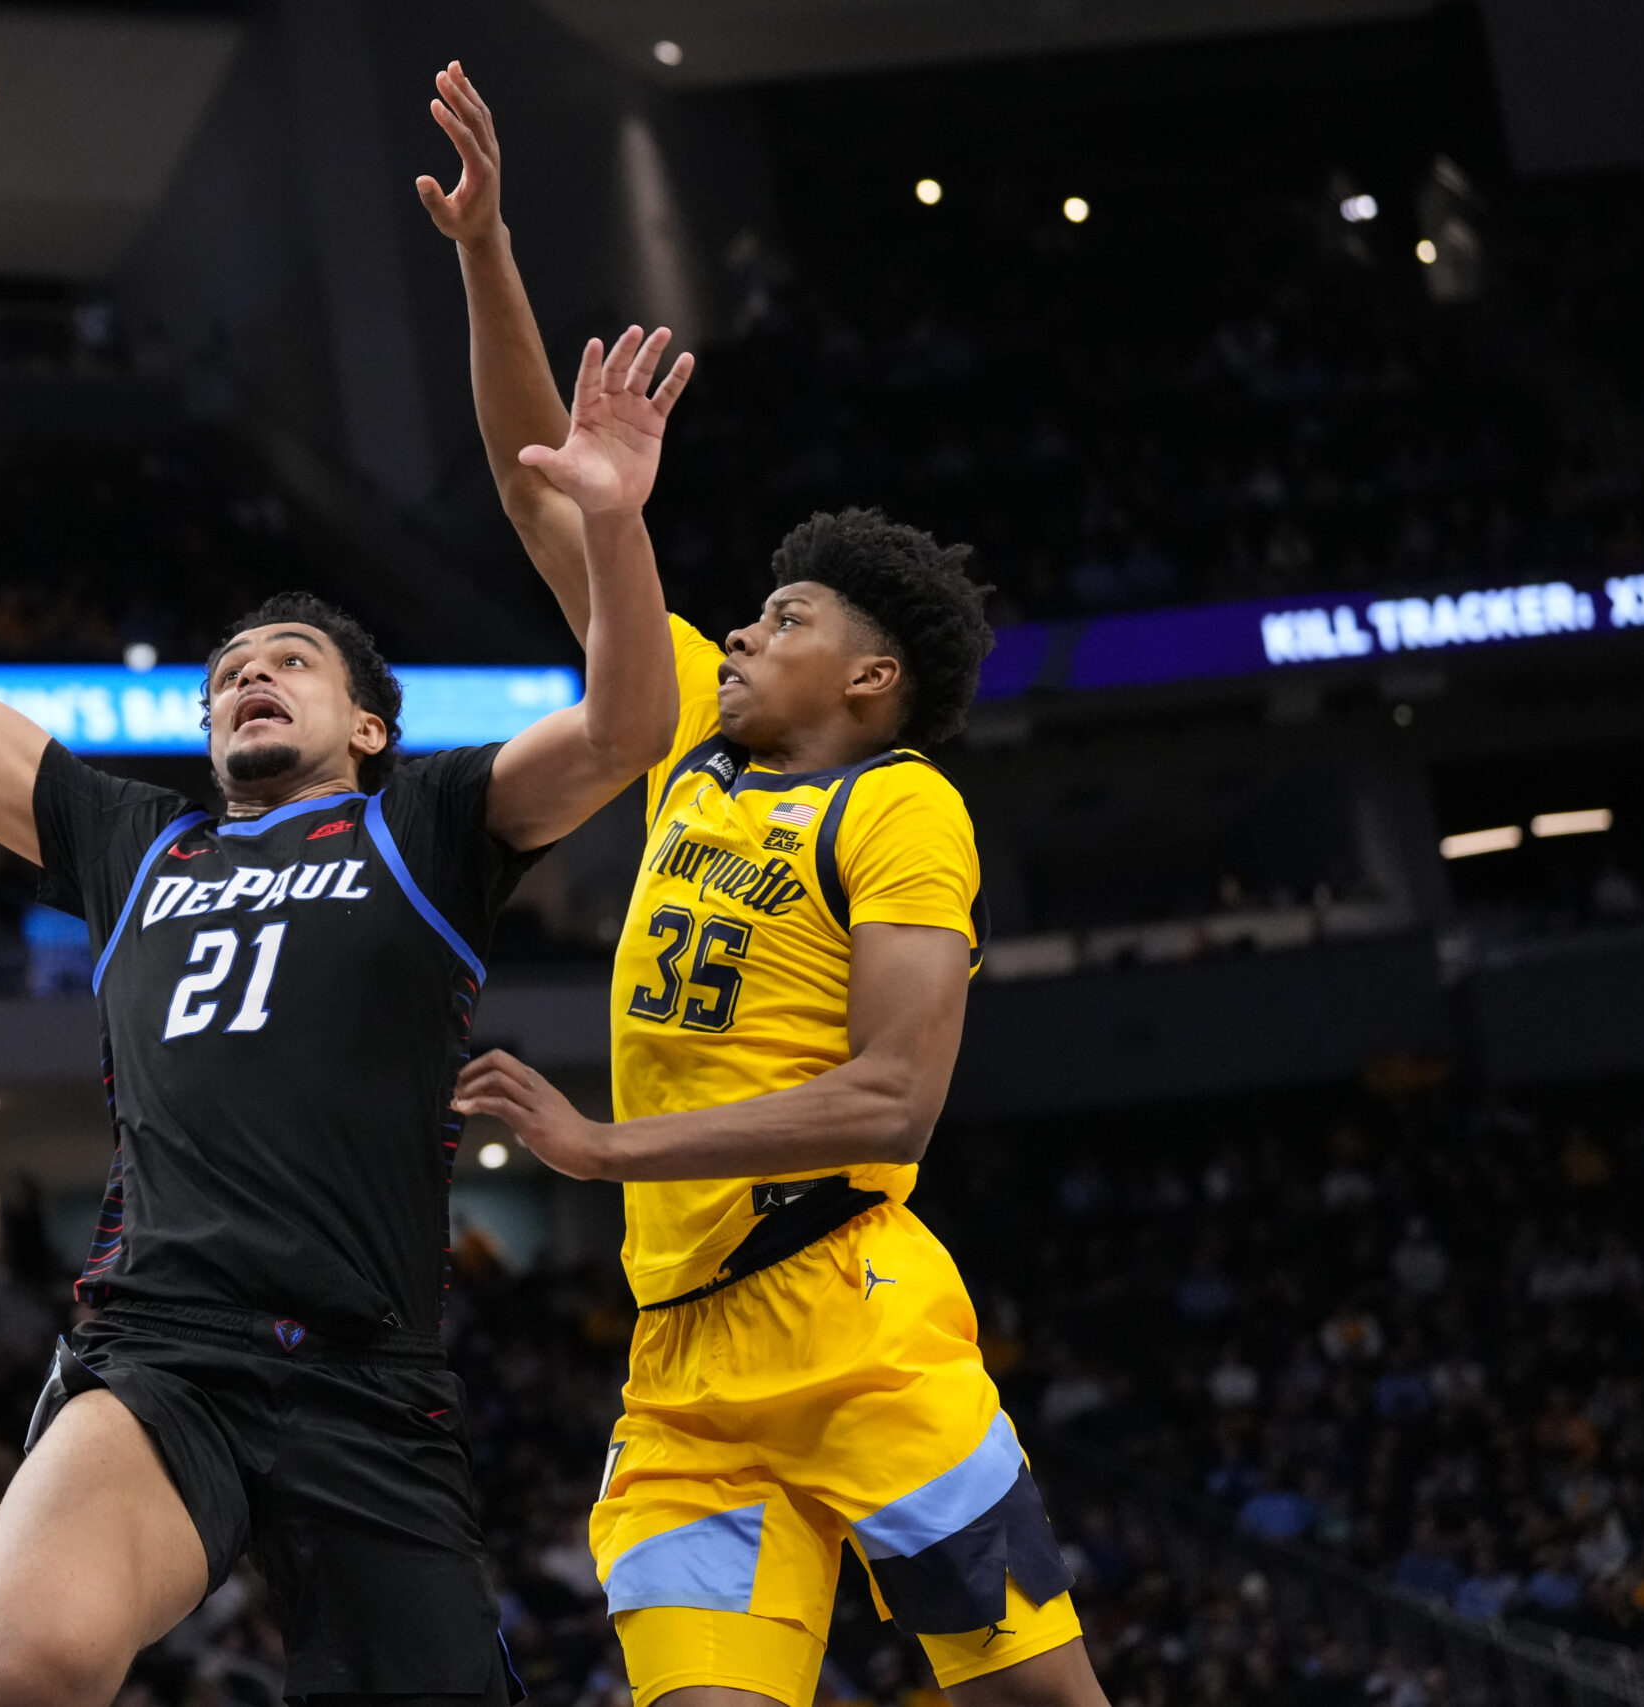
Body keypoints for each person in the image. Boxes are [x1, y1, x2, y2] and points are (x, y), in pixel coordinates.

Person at [0, 312, 692, 1707]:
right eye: (229, 670)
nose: (249, 674)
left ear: (369, 729)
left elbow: (626, 729)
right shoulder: (138, 847)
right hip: (166, 1349)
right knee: (30, 1660)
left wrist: (612, 526)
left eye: (290, 658)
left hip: (369, 1382)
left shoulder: (425, 824)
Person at [420, 63, 1108, 1707]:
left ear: (870, 683)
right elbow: (541, 487)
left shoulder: (901, 807)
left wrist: (601, 1146)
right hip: (681, 1368)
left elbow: (889, 1101)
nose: (741, 632)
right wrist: (486, 248)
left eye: (784, 623)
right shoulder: (687, 755)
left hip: (858, 1325)